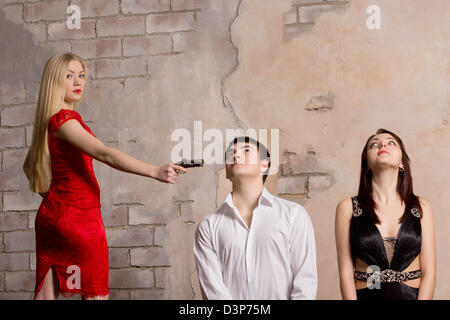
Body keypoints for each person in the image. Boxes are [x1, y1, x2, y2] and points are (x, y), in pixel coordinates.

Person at [23, 53, 188, 300]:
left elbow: (29, 166)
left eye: (81, 75)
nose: (78, 82)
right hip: (80, 219)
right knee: (95, 294)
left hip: (51, 218)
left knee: (46, 295)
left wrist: (57, 201)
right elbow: (105, 154)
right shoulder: (65, 120)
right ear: (54, 81)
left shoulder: (50, 123)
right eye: (69, 76)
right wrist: (154, 171)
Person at [193, 136, 317, 299]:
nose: (236, 156)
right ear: (227, 172)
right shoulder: (208, 226)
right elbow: (213, 291)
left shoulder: (293, 215)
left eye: (246, 151)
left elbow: (305, 280)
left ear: (264, 164)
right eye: (231, 154)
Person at [335, 128, 436, 300]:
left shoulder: (421, 207)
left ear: (402, 162)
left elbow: (429, 274)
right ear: (366, 164)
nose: (382, 144)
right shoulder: (348, 208)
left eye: (391, 142)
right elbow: (346, 274)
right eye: (373, 144)